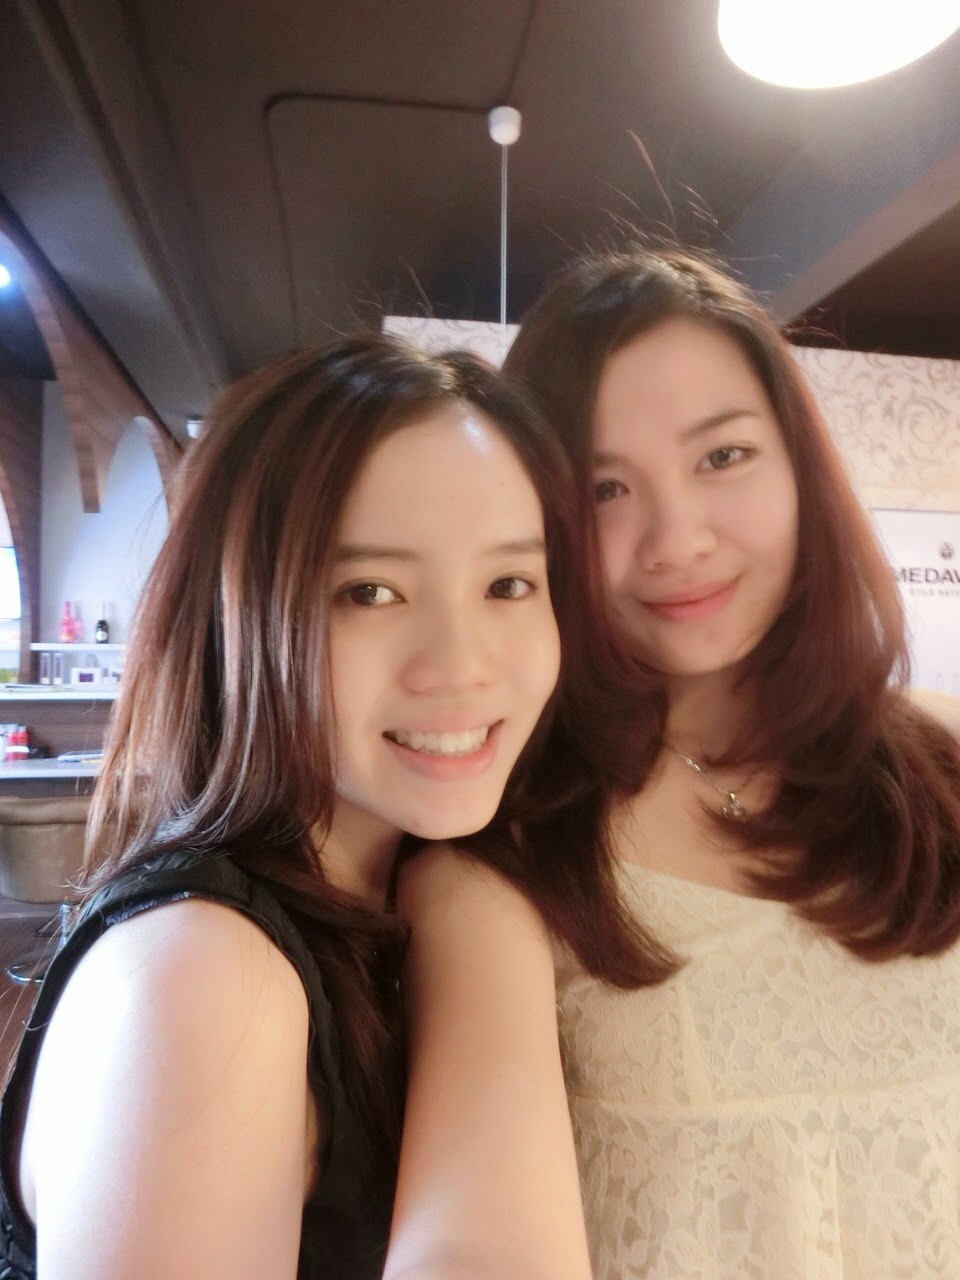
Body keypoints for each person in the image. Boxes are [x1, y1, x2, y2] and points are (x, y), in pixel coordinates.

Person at [390, 247, 960, 1280]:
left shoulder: (944, 758)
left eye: (722, 456)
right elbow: (468, 1241)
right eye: (606, 486)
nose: (676, 539)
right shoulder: (503, 864)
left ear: (800, 466)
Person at [0, 332, 607, 1280]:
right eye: (370, 591)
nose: (461, 665)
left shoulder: (416, 898)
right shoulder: (203, 976)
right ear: (237, 617)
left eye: (508, 584)